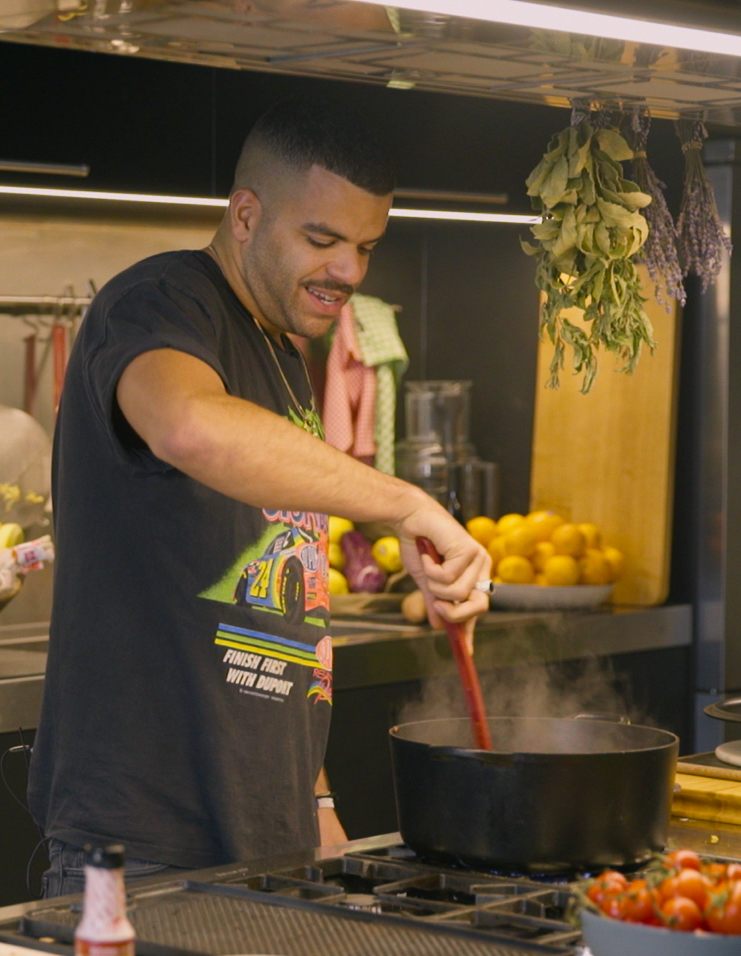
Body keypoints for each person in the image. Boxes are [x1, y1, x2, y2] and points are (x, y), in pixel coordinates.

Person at [29, 97, 491, 897]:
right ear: (245, 216)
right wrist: (405, 504)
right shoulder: (160, 304)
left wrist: (314, 797)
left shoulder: (279, 349)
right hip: (145, 842)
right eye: (322, 240)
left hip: (269, 830)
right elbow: (188, 427)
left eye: (366, 246)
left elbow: (279, 606)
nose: (348, 272)